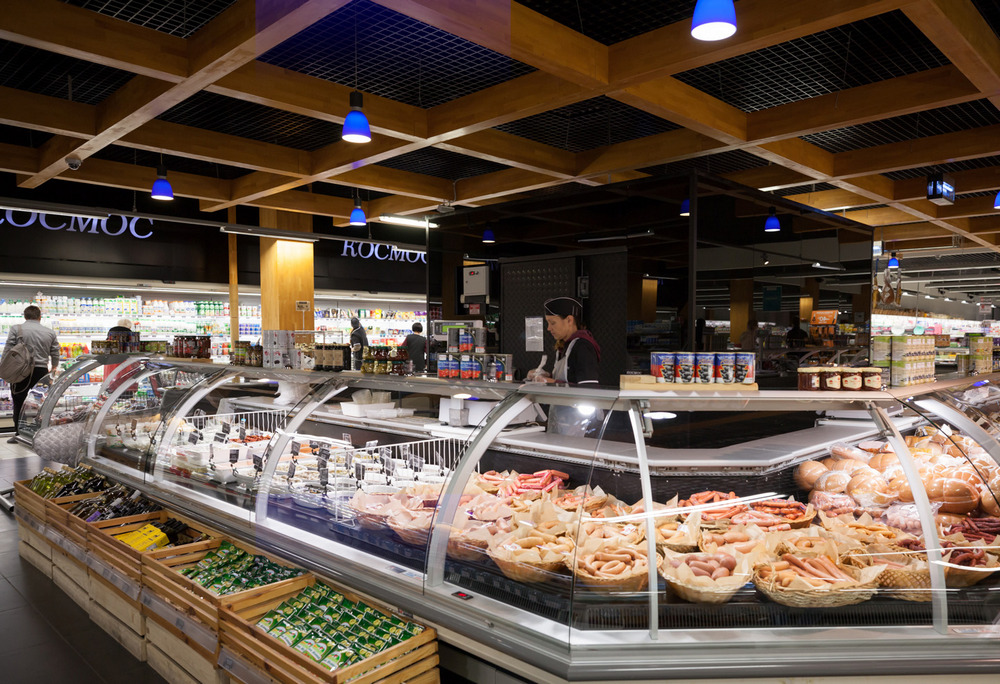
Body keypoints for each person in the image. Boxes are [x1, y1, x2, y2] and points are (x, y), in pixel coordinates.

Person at [3, 305, 59, 442]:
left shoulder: (16, 329)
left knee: (18, 401)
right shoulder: (50, 332)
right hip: (41, 371)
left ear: (25, 316)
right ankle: (39, 433)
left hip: (20, 371)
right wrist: (54, 367)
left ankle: (18, 434)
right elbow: (55, 352)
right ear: (40, 317)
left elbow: (8, 350)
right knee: (41, 403)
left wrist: (4, 369)